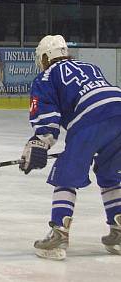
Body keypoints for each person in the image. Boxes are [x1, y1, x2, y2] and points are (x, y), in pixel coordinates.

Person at [19, 35, 121, 260]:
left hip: (91, 117)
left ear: (45, 57)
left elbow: (47, 114)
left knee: (66, 173)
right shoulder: (89, 66)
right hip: (118, 107)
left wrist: (40, 142)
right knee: (110, 173)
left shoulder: (45, 76)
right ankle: (119, 231)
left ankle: (59, 233)